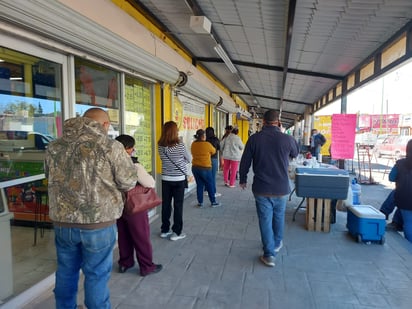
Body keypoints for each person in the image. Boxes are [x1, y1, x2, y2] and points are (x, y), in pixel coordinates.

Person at [44, 108, 138, 309]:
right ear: (104, 125)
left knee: (66, 271)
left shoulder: (54, 146)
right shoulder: (110, 146)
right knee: (96, 274)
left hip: (63, 222)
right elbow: (128, 181)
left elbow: (49, 176)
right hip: (99, 223)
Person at [239, 109, 299, 267]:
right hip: (281, 188)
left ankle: (269, 254)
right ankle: (276, 243)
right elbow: (296, 152)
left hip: (261, 187)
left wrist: (243, 179)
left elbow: (245, 161)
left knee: (265, 220)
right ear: (278, 122)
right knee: (279, 217)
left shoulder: (254, 139)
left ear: (263, 122)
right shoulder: (287, 139)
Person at [115, 135, 162, 276]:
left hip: (118, 205)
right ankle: (147, 266)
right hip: (134, 205)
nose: (132, 150)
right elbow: (150, 183)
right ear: (127, 149)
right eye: (131, 148)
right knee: (141, 237)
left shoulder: (109, 163)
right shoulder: (134, 165)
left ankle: (125, 263)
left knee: (123, 235)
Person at [158, 121, 191, 241]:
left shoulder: (160, 145)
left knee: (166, 205)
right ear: (174, 131)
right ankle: (176, 232)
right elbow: (189, 158)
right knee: (178, 205)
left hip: (166, 178)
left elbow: (164, 160)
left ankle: (165, 230)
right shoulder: (180, 145)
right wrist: (182, 163)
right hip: (178, 179)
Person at [389, 139, 412, 243]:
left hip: (404, 199)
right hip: (405, 199)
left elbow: (391, 178)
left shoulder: (400, 163)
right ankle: (396, 222)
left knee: (408, 222)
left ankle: (409, 244)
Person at [191, 129, 221, 207]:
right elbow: (214, 151)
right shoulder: (207, 144)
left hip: (195, 168)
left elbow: (192, 152)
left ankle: (200, 203)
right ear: (203, 136)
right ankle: (213, 202)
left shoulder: (193, 144)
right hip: (205, 168)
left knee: (199, 185)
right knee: (210, 184)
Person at [205, 127, 221, 197]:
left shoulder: (205, 140)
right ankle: (213, 192)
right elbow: (219, 148)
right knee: (213, 176)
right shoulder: (216, 139)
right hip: (214, 159)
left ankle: (206, 190)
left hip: (206, 159)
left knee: (207, 175)